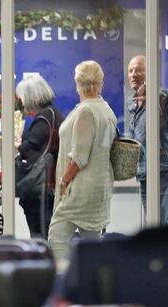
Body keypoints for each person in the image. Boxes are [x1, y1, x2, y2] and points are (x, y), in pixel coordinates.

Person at [48, 61, 117, 262]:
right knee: (93, 243)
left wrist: (63, 181)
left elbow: (79, 157)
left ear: (78, 82)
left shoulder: (86, 112)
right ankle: (95, 285)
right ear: (100, 82)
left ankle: (63, 282)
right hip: (99, 185)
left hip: (79, 189)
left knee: (58, 238)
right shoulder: (106, 110)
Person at [126, 55, 168, 223]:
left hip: (162, 171)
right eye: (131, 70)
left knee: (163, 227)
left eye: (139, 70)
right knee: (152, 223)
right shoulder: (131, 102)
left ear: (149, 73)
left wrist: (151, 90)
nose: (134, 74)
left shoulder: (161, 98)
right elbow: (134, 135)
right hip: (143, 172)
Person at [15, 75, 64, 238]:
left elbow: (31, 147)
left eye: (22, 97)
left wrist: (17, 145)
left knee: (39, 233)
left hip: (39, 186)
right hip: (48, 184)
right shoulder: (53, 114)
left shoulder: (44, 117)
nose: (21, 101)